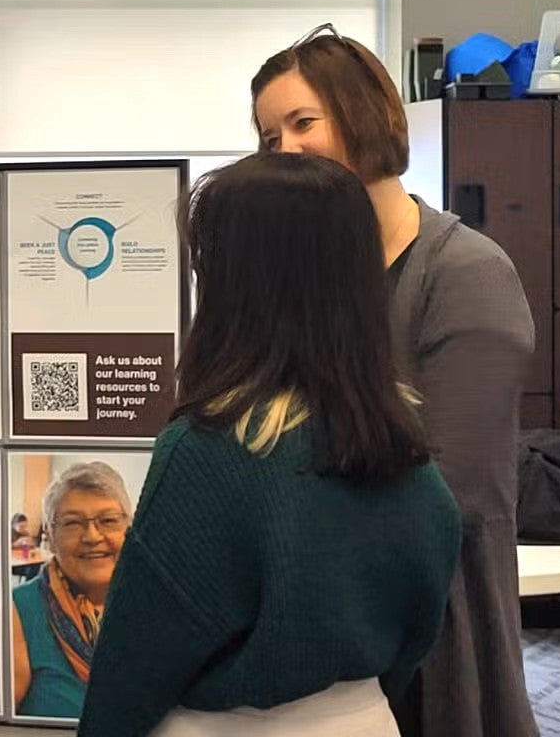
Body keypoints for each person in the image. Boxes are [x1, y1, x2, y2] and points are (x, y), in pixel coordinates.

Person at [78, 152, 463, 737]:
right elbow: (416, 635)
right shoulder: (404, 446)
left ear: (238, 284)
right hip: (365, 719)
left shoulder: (210, 448)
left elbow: (138, 661)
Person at [251, 23, 539, 737]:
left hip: (428, 616)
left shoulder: (467, 274)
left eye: (302, 123)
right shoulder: (296, 280)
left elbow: (449, 493)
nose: (285, 149)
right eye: (268, 136)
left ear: (367, 117)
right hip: (304, 608)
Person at [9, 461, 132, 718]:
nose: (92, 536)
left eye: (108, 520)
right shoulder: (17, 611)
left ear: (130, 530)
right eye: (73, 523)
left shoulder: (162, 606)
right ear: (50, 537)